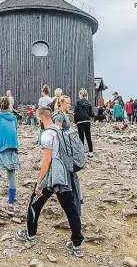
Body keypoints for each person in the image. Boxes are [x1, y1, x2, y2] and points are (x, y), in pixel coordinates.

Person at [15, 106, 84, 258]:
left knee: (35, 201)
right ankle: (77, 243)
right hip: (64, 174)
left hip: (52, 175)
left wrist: (39, 182)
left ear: (41, 118)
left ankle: (31, 235)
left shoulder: (47, 135)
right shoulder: (60, 130)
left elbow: (47, 160)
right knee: (69, 208)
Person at [74, 89, 94, 158]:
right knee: (88, 137)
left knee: (81, 137)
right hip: (87, 121)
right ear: (86, 95)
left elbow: (76, 113)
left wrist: (75, 121)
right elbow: (92, 113)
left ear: (80, 95)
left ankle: (82, 152)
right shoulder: (89, 103)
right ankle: (91, 151)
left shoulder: (78, 102)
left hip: (80, 122)